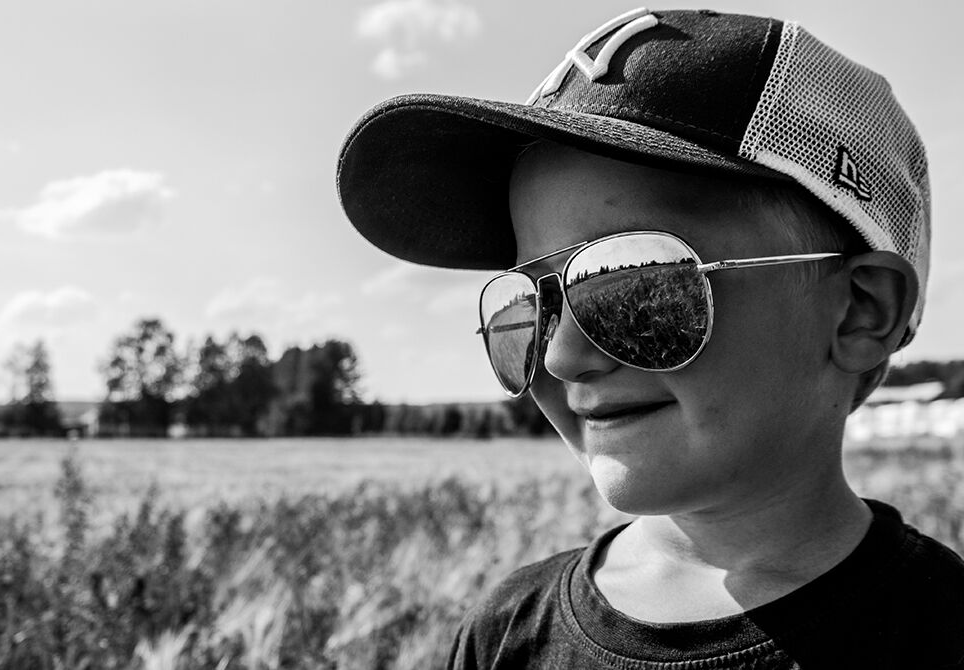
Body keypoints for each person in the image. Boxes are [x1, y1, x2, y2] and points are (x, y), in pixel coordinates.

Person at [336, 7, 964, 668]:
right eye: (531, 300)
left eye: (634, 279)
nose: (561, 356)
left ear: (860, 311)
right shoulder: (507, 633)